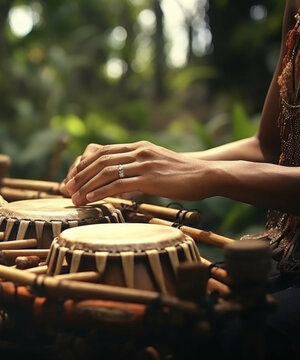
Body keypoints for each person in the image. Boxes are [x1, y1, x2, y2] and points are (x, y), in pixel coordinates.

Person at [60, 1, 300, 359]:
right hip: (285, 254)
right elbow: (268, 146)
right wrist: (148, 167)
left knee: (210, 339)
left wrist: (211, 175)